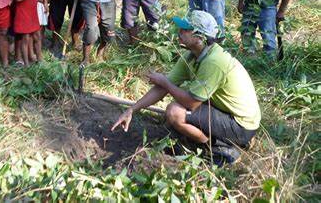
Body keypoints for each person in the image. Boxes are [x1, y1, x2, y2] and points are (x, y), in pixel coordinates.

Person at [112, 10, 261, 165]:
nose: (179, 33)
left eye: (185, 30)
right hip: (225, 111)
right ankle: (214, 140)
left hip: (241, 125)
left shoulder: (214, 62)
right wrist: (132, 110)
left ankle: (219, 149)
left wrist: (165, 83)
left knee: (175, 113)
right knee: (173, 117)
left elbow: (191, 103)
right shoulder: (192, 56)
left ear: (199, 38)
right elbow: (162, 88)